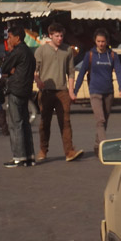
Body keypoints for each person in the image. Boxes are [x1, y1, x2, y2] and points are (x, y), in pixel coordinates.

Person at [34, 23, 84, 162]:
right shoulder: (41, 51)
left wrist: (72, 91)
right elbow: (35, 70)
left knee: (66, 121)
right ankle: (43, 150)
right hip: (46, 91)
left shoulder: (67, 50)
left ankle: (69, 152)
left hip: (62, 91)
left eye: (61, 35)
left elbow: (71, 72)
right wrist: (38, 81)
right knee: (45, 122)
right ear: (50, 36)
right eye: (57, 36)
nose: (60, 38)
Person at [74, 28, 121, 157]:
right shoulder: (90, 55)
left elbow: (118, 71)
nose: (101, 44)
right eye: (98, 41)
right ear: (95, 41)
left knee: (104, 120)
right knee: (100, 120)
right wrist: (75, 90)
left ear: (107, 41)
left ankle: (98, 145)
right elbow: (81, 73)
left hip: (108, 91)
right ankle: (105, 149)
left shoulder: (112, 55)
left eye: (103, 41)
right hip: (95, 91)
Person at [0, 25, 37, 168]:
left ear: (17, 38)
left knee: (16, 124)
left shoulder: (18, 51)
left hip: (16, 90)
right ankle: (29, 156)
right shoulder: (28, 52)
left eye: (10, 37)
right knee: (25, 124)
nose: (8, 40)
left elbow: (4, 67)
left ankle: (19, 157)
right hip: (26, 89)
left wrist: (10, 55)